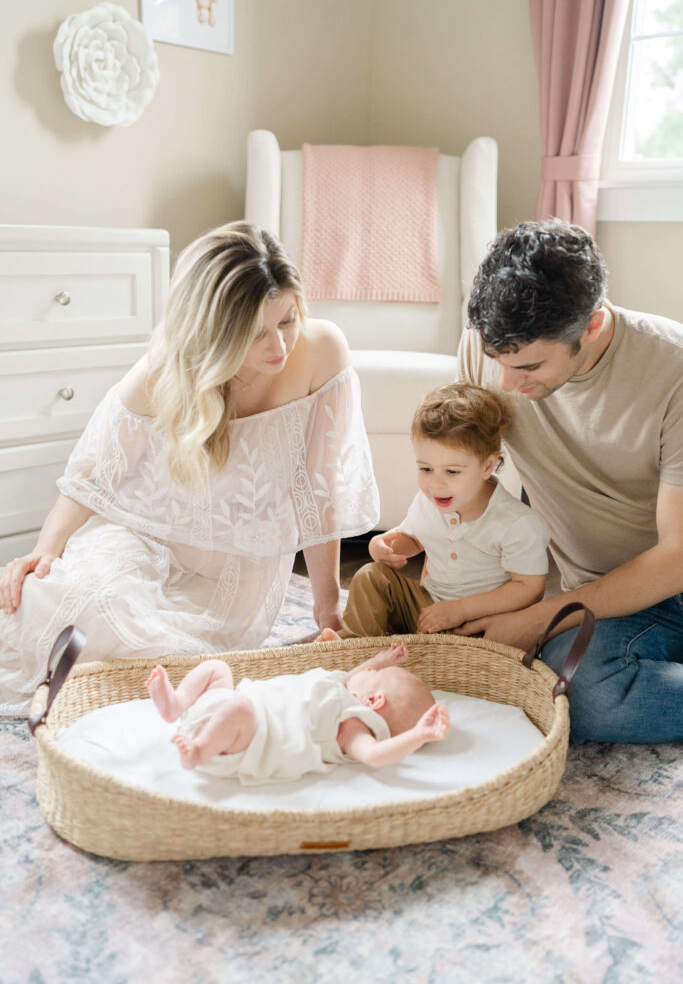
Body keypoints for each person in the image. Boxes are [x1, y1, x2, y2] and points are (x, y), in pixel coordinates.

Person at [0, 222, 379, 717]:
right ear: (213, 332)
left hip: (235, 573)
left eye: (287, 321)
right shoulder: (169, 368)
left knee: (160, 650)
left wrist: (327, 606)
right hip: (141, 535)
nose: (279, 348)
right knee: (66, 600)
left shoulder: (322, 351)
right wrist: (43, 551)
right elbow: (95, 472)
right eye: (255, 333)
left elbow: (319, 491)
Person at [457, 218, 683, 744]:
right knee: (564, 683)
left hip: (670, 581)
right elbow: (469, 480)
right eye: (498, 362)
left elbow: (677, 558)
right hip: (606, 596)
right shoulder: (490, 351)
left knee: (590, 698)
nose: (507, 385)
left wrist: (542, 616)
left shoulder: (673, 371)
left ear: (594, 325)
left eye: (531, 365)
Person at [319, 381, 550, 640]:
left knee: (497, 645)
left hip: (481, 625)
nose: (435, 484)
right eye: (426, 469)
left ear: (487, 467)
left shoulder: (516, 523)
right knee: (370, 576)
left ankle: (407, 652)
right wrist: (382, 547)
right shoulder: (428, 502)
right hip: (429, 610)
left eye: (452, 472)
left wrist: (460, 610)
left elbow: (530, 588)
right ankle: (355, 647)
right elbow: (414, 539)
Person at [145, 642, 450, 782]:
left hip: (244, 738)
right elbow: (352, 677)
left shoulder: (352, 725)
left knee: (239, 708)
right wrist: (381, 661)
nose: (366, 669)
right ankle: (178, 703)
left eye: (372, 673)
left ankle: (197, 751)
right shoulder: (342, 689)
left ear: (373, 701)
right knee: (218, 669)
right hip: (224, 711)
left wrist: (417, 734)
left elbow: (374, 755)